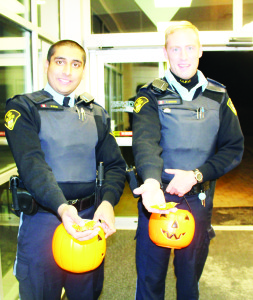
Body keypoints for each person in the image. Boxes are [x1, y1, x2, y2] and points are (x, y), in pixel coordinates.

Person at [4, 40, 126, 300]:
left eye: (76, 64)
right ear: (47, 65)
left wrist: (107, 202)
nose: (67, 71)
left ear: (83, 70)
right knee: (40, 292)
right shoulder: (23, 108)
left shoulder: (96, 113)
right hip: (43, 221)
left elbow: (115, 165)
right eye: (60, 62)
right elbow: (32, 165)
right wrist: (61, 207)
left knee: (87, 292)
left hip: (88, 222)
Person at [132, 21, 244, 300]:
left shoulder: (218, 95)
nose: (183, 56)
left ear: (201, 51)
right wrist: (150, 181)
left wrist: (196, 174)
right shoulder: (150, 95)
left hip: (198, 199)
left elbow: (233, 148)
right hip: (157, 198)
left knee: (189, 279)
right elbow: (146, 142)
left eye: (190, 48)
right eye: (175, 48)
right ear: (165, 52)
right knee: (150, 277)